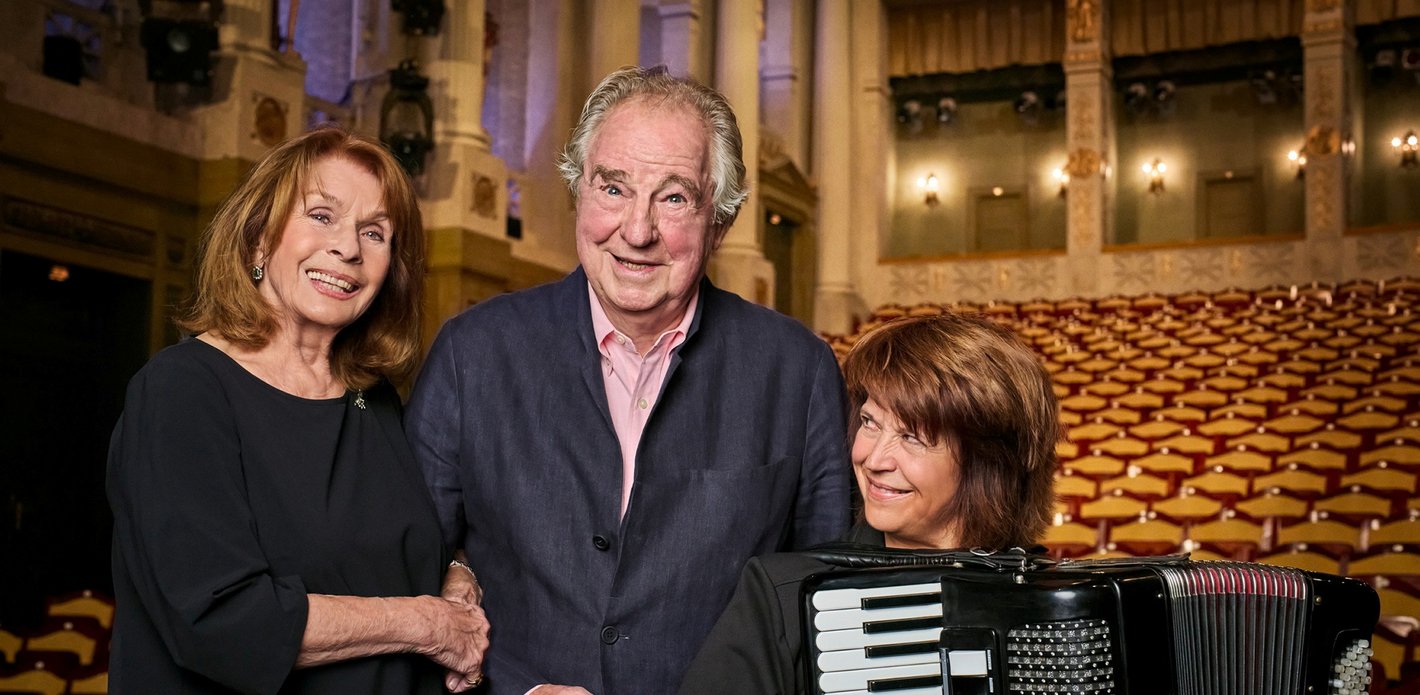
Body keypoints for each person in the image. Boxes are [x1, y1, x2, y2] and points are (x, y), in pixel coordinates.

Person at [405, 65, 852, 695]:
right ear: (578, 193)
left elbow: (824, 608)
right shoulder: (471, 352)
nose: (636, 231)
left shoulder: (798, 370)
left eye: (673, 198)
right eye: (613, 189)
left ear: (718, 223)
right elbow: (407, 569)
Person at [107, 126, 490, 694]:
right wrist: (426, 624)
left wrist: (457, 576)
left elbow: (400, 551)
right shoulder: (181, 392)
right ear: (259, 239)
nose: (348, 247)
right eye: (321, 216)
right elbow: (222, 620)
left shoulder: (372, 398)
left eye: (375, 232)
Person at [677, 312, 1061, 694]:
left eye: (912, 437)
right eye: (869, 422)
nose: (873, 459)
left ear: (991, 462)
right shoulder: (785, 593)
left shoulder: (1059, 602)